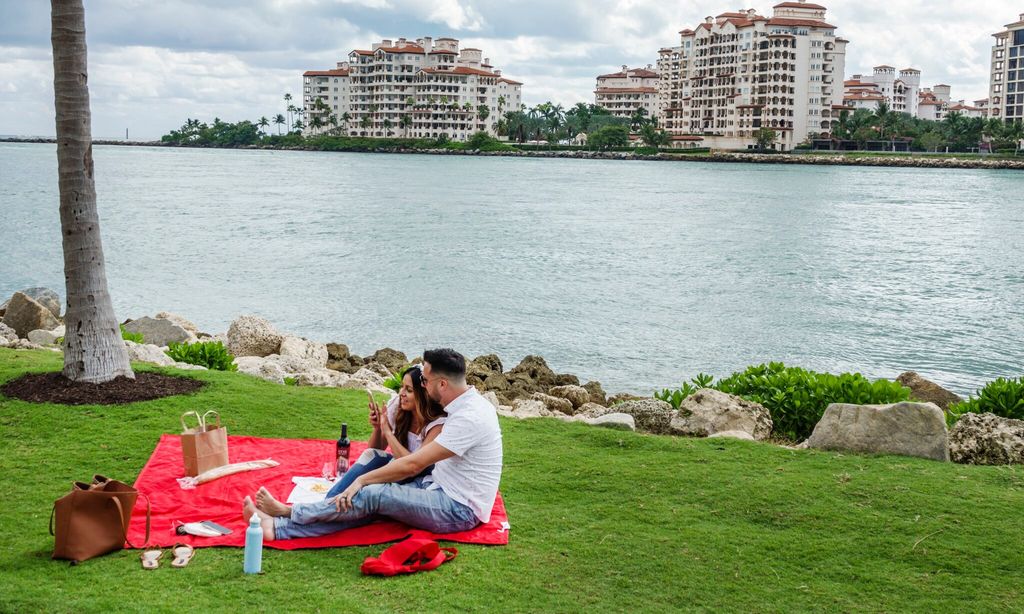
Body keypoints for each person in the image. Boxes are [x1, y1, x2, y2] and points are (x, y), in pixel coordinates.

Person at [244, 348, 503, 540]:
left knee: (370, 494)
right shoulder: (460, 407)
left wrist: (362, 481)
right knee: (364, 507)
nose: (422, 385)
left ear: (442, 384)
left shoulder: (471, 416)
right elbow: (381, 451)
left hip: (458, 508)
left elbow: (414, 464)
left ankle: (287, 515)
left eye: (424, 381)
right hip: (433, 487)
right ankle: (277, 528)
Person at [324, 364, 445, 500]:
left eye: (409, 390)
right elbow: (375, 449)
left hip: (417, 477)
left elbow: (412, 466)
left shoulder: (437, 425)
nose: (401, 393)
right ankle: (330, 500)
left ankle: (339, 505)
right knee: (370, 455)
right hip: (398, 466)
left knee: (368, 490)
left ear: (424, 395)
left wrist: (387, 431)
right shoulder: (398, 407)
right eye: (401, 387)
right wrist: (378, 427)